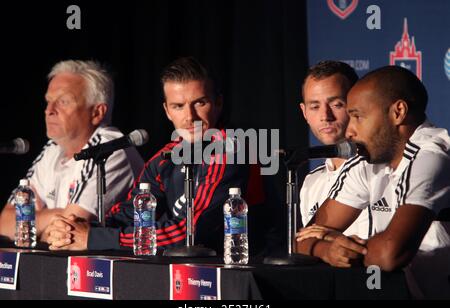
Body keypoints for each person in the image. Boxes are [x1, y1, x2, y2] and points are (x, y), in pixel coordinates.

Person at [45, 57, 277, 255]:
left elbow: (191, 231)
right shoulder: (165, 157)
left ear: (218, 103)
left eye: (200, 103)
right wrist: (76, 229)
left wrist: (95, 239)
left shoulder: (230, 149)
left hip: (238, 273)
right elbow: (129, 213)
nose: (190, 117)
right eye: (178, 106)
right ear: (167, 111)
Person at [296, 65, 450, 299]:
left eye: (358, 116)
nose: (350, 130)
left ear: (398, 112)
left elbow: (390, 254)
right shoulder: (369, 160)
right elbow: (302, 240)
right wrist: (328, 249)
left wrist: (340, 242)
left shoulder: (433, 156)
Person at [0, 60, 144, 242]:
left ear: (97, 113)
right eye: (48, 101)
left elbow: (68, 232)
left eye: (63, 101)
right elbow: (5, 223)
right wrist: (55, 217)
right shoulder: (53, 148)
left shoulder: (110, 148)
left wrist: (31, 224)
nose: (49, 110)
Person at [297, 61, 370, 239]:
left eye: (337, 104)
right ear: (304, 112)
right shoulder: (311, 183)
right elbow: (306, 243)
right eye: (314, 107)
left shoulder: (383, 169)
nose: (325, 116)